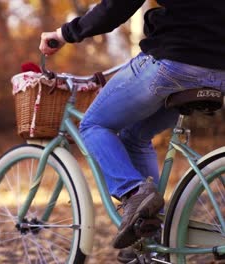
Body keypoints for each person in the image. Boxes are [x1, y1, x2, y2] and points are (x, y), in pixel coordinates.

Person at [39, 0, 225, 262]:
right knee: (135, 137)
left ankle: (132, 193)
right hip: (219, 71)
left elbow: (116, 7)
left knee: (94, 125)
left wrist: (64, 33)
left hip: (174, 60)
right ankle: (147, 238)